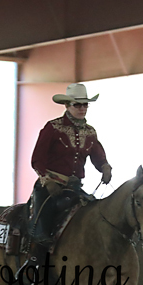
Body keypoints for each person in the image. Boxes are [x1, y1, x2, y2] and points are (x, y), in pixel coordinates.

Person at [24, 83, 113, 269]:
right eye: (77, 105)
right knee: (41, 229)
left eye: (85, 105)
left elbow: (98, 156)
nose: (82, 108)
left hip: (74, 188)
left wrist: (105, 167)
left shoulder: (90, 132)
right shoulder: (52, 128)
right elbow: (37, 159)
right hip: (50, 187)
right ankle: (32, 265)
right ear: (67, 105)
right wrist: (47, 181)